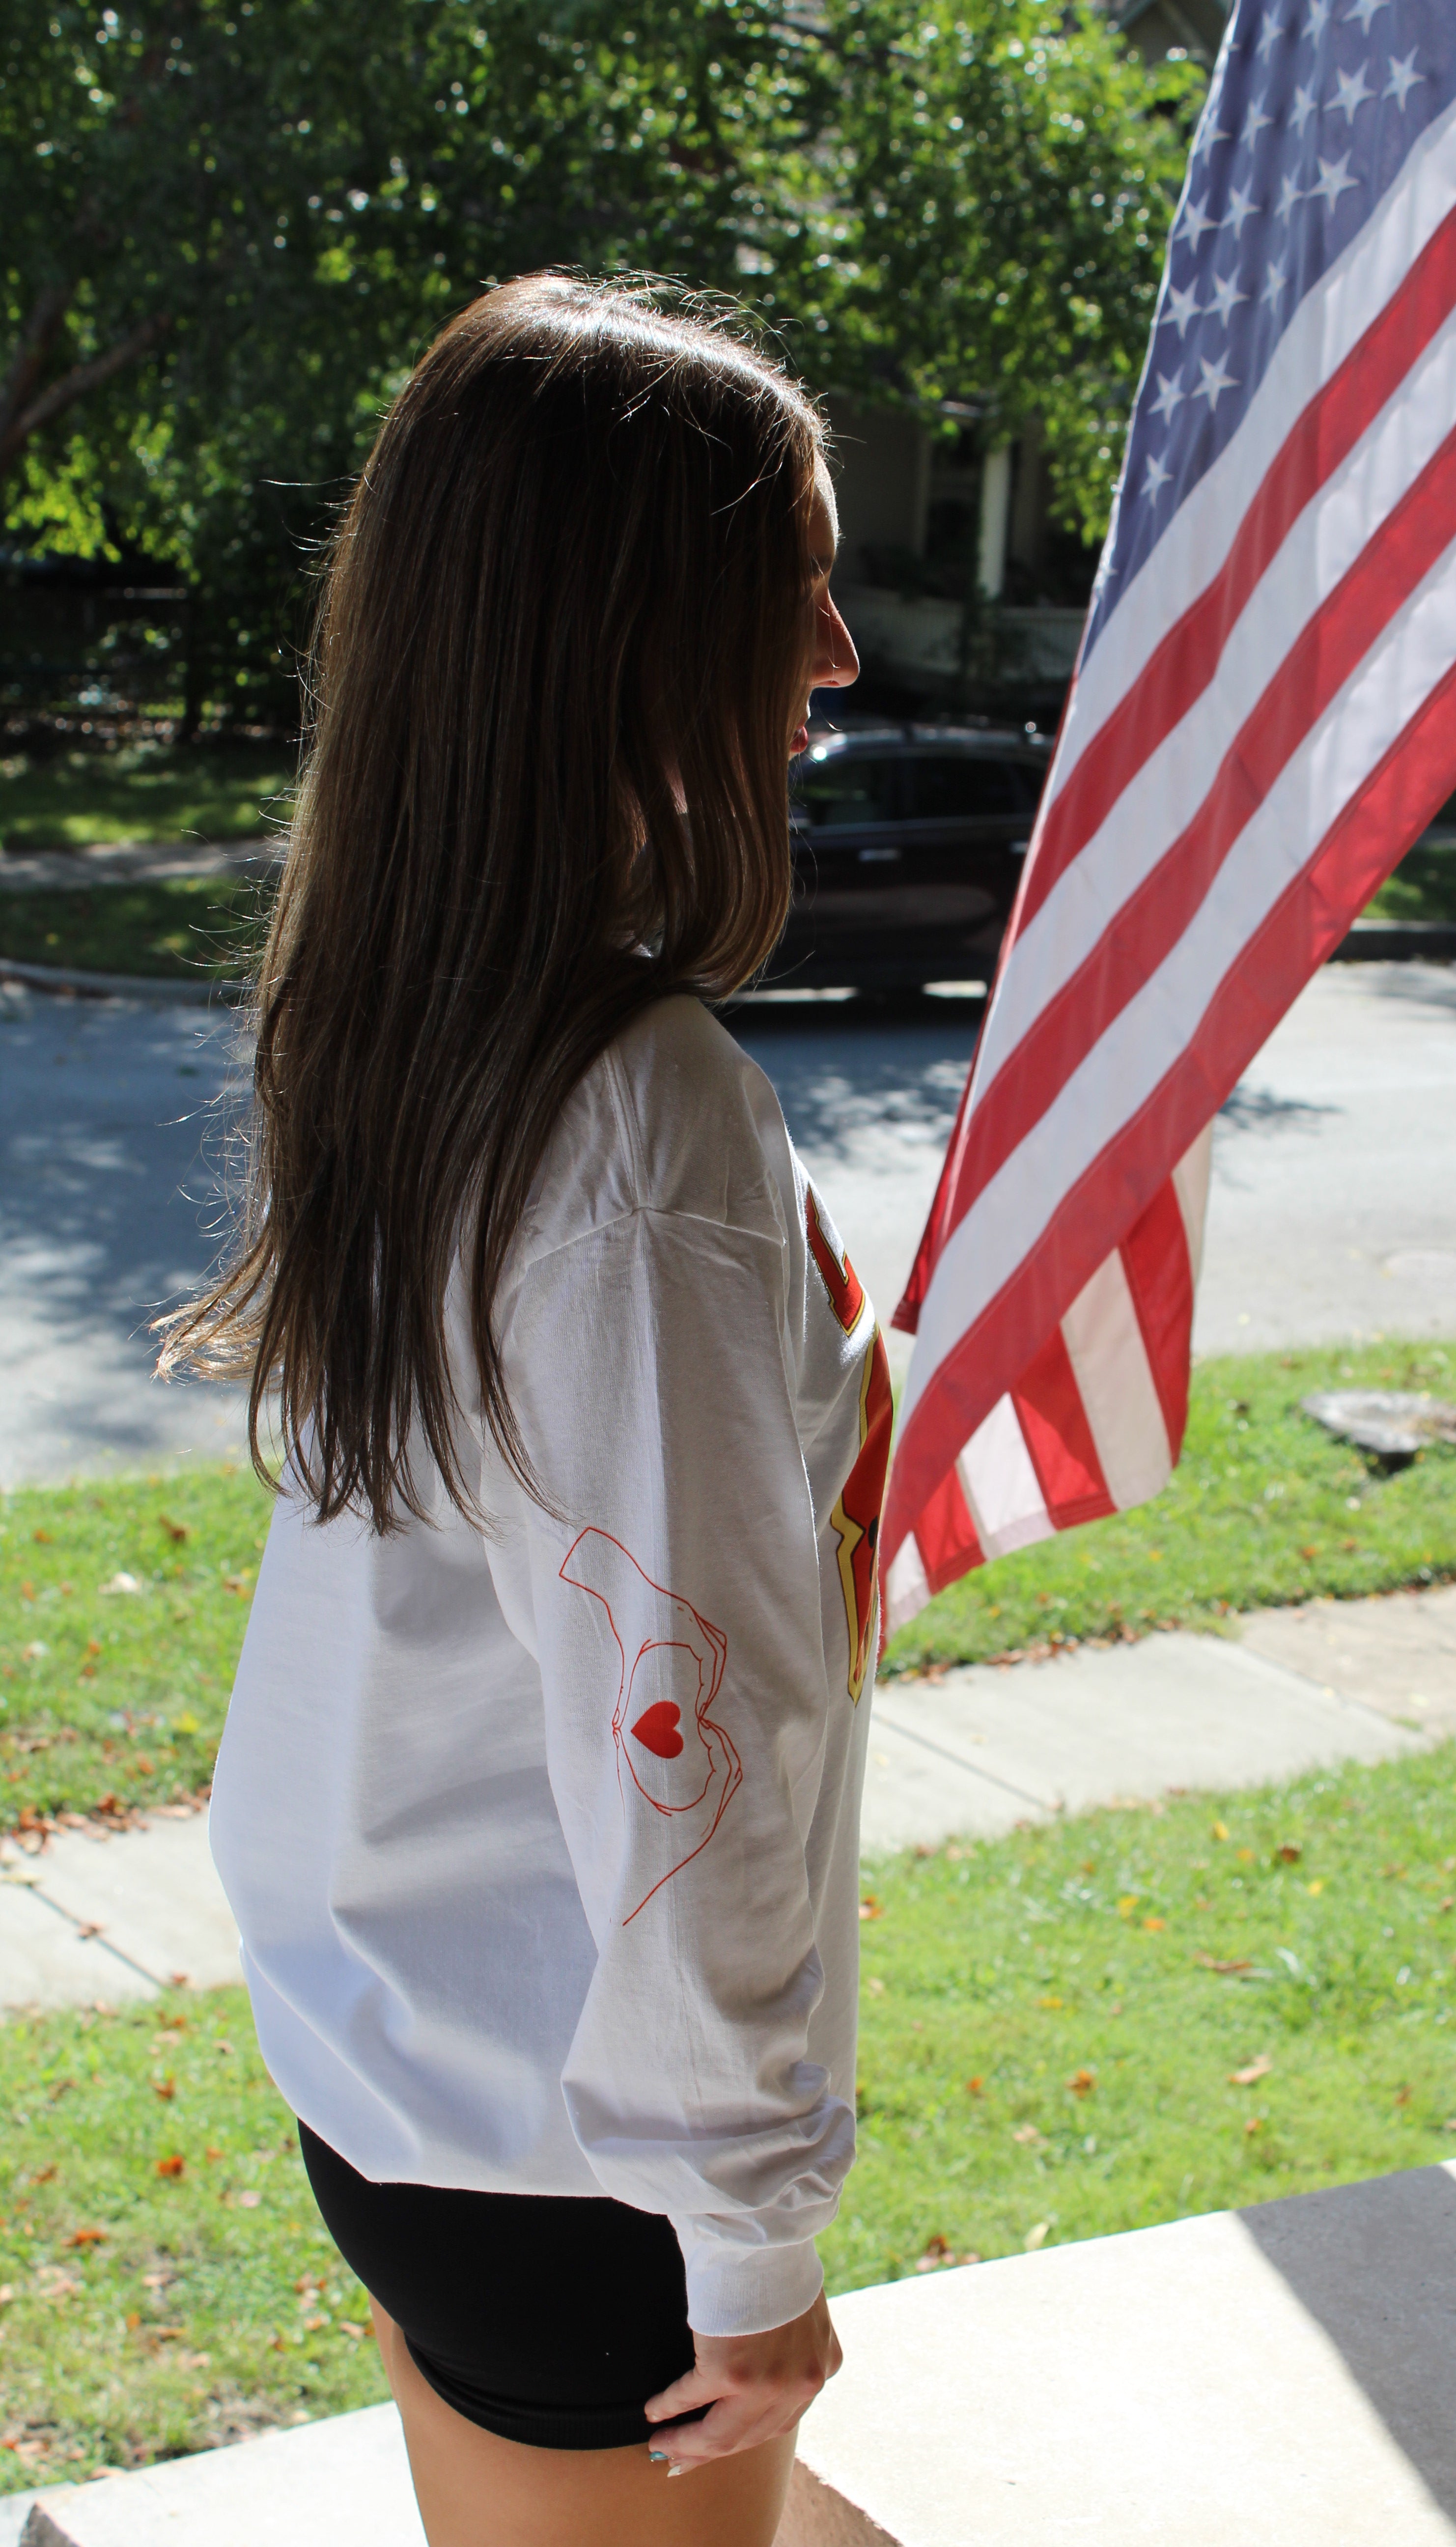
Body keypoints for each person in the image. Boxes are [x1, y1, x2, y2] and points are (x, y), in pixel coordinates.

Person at [160, 273, 882, 2547]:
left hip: (402, 2066)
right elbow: (683, 1724)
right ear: (627, 638)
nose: (840, 659)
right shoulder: (638, 1117)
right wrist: (748, 2238)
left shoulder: (405, 1010)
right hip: (578, 2161)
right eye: (797, 590)